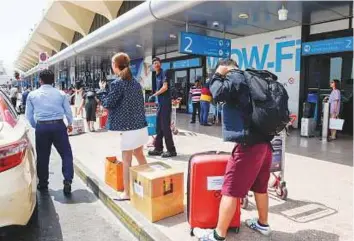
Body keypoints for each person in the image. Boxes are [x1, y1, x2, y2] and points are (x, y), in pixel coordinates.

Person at [194, 59, 274, 240]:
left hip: (250, 145)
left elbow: (218, 93)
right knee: (261, 187)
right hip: (265, 143)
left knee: (230, 189)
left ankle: (217, 235)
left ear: (225, 66)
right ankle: (263, 224)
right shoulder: (252, 79)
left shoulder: (237, 77)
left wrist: (217, 75)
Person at [97, 52, 148, 201]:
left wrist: (101, 90)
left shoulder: (117, 83)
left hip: (128, 129)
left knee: (127, 160)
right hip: (140, 126)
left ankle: (126, 193)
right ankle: (150, 181)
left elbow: (108, 104)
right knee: (139, 154)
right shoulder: (136, 83)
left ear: (115, 66)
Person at [25, 69, 74, 196]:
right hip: (58, 126)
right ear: (53, 80)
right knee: (66, 154)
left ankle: (43, 183)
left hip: (42, 127)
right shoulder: (61, 94)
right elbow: (68, 111)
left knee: (42, 156)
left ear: (40, 80)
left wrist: (37, 126)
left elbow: (28, 116)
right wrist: (69, 124)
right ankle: (67, 180)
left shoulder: (32, 95)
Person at [147, 57, 177, 158]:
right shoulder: (156, 75)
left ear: (160, 64)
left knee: (165, 127)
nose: (156, 64)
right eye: (154, 63)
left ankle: (171, 150)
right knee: (158, 127)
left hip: (165, 104)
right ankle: (158, 148)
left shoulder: (164, 73)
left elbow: (165, 88)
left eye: (158, 63)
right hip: (160, 104)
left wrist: (154, 95)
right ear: (153, 66)